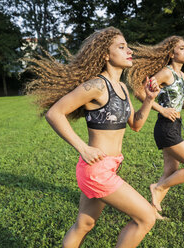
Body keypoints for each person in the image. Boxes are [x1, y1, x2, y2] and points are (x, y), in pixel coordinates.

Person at [25, 27, 160, 248]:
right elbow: (54, 113)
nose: (129, 51)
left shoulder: (123, 88)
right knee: (146, 218)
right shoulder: (97, 85)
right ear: (106, 55)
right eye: (121, 47)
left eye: (128, 46)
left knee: (84, 224)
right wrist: (82, 147)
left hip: (108, 166)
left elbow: (136, 125)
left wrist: (149, 99)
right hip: (96, 169)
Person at [126, 36, 184, 215]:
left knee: (170, 171)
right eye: (182, 48)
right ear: (171, 54)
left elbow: (176, 102)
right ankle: (157, 187)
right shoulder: (166, 73)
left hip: (175, 125)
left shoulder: (181, 75)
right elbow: (140, 91)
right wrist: (161, 110)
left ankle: (151, 212)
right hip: (165, 128)